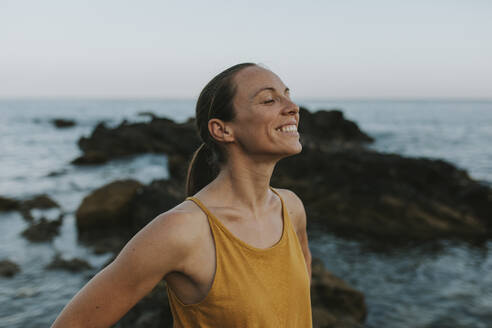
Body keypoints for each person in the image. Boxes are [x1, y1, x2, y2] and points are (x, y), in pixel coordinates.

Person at [51, 62, 313, 327]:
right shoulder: (181, 231)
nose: (292, 107)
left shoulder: (291, 208)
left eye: (287, 94)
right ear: (222, 130)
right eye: (269, 100)